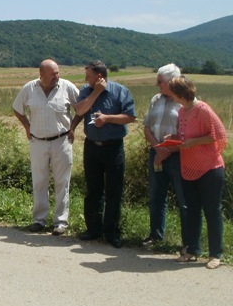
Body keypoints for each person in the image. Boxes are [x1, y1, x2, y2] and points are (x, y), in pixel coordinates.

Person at [72, 60, 135, 248]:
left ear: (99, 76)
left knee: (114, 191)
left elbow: (130, 116)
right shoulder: (86, 90)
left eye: (88, 76)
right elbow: (80, 110)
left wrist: (107, 119)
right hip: (92, 146)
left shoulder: (120, 91)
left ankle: (111, 232)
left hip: (113, 147)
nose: (86, 79)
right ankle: (93, 229)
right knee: (93, 190)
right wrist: (96, 92)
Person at [12, 59, 79, 235]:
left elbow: (81, 108)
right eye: (53, 73)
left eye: (58, 72)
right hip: (38, 142)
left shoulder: (67, 87)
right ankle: (39, 220)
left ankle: (61, 222)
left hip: (61, 141)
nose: (57, 76)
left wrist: (73, 127)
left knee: (62, 182)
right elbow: (17, 109)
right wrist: (27, 127)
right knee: (39, 181)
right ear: (41, 75)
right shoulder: (29, 88)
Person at [167, 76, 226, 269]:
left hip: (209, 168)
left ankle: (215, 254)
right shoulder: (182, 111)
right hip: (189, 167)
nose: (171, 96)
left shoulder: (203, 110)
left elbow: (216, 135)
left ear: (180, 93)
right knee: (192, 210)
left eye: (173, 93)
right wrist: (174, 138)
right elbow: (186, 136)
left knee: (212, 212)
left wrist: (193, 143)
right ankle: (192, 250)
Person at [142, 64, 188, 248]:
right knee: (156, 197)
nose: (157, 84)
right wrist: (157, 148)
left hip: (178, 156)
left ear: (171, 82)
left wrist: (167, 150)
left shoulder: (184, 101)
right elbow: (147, 127)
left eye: (160, 81)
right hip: (156, 152)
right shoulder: (156, 99)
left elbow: (188, 134)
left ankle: (188, 242)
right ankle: (156, 235)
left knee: (184, 200)